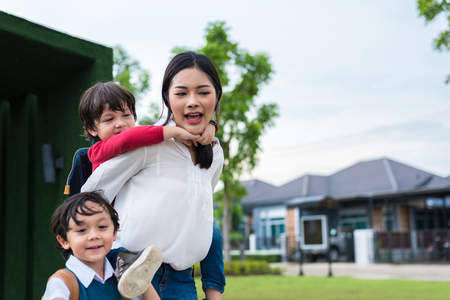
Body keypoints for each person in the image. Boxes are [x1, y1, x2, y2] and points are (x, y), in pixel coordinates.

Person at [82, 51, 225, 299]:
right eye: (181, 93)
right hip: (132, 280)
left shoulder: (216, 153)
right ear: (167, 98)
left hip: (182, 281)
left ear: (216, 97)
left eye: (203, 92)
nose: (193, 101)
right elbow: (90, 198)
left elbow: (197, 215)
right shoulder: (148, 145)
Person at [42, 191, 161, 300]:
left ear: (114, 232)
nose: (94, 236)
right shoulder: (62, 283)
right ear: (64, 241)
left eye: (102, 227)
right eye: (82, 230)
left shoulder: (121, 280)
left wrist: (141, 276)